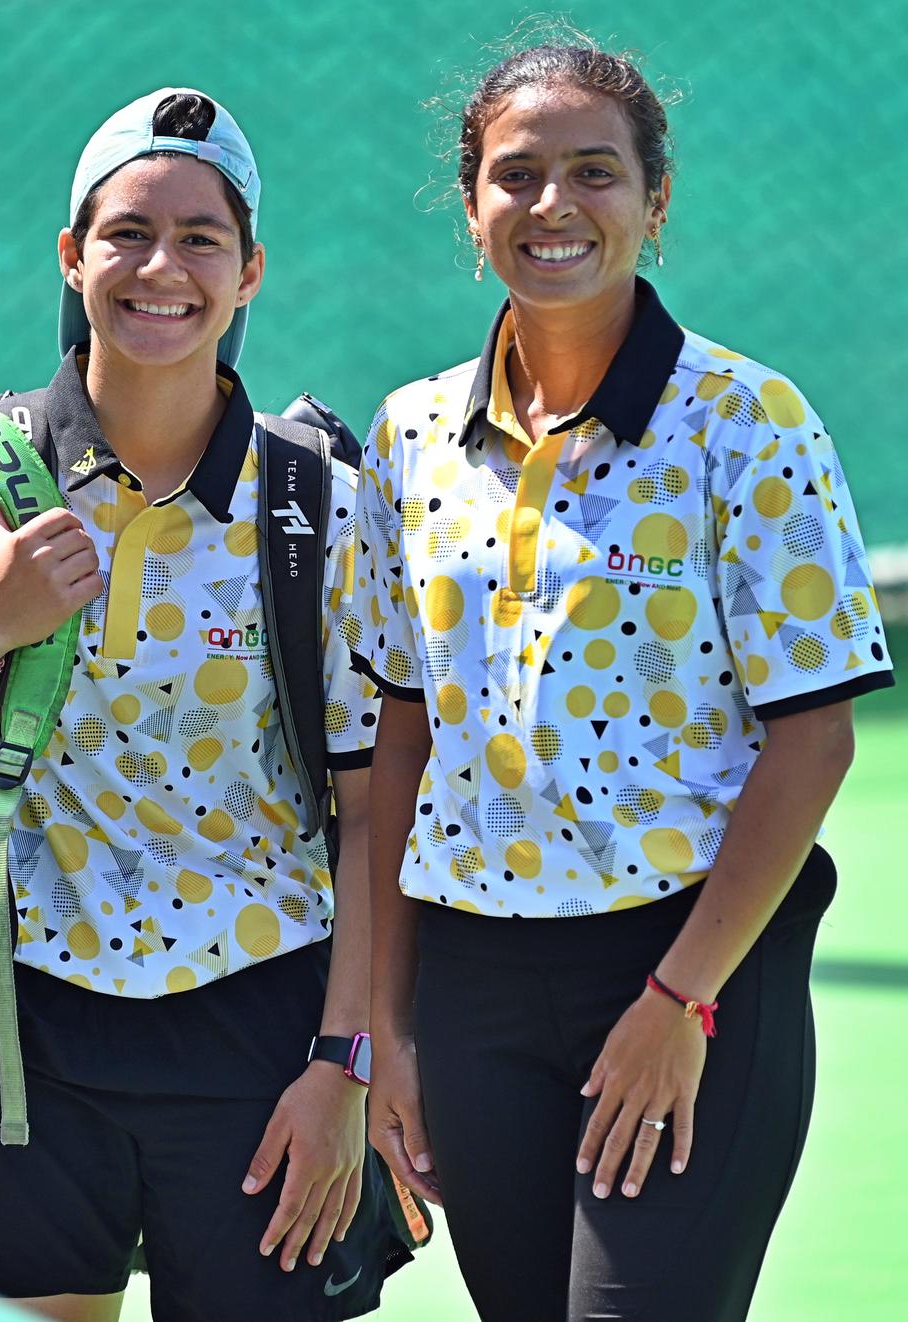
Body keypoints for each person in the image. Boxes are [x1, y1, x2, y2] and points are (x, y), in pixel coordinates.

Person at [0, 88, 404, 1322]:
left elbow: (376, 809)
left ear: (251, 270)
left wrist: (345, 1065)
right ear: (72, 255)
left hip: (266, 1030)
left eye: (201, 238)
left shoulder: (321, 499)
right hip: (18, 1030)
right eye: (126, 233)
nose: (161, 268)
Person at [350, 38, 895, 1322]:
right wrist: (390, 1030)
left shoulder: (749, 421)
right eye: (516, 174)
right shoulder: (409, 435)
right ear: (471, 205)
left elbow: (812, 739)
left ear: (656, 203)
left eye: (595, 172)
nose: (554, 206)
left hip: (687, 969)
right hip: (473, 984)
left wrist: (677, 999)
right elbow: (397, 737)